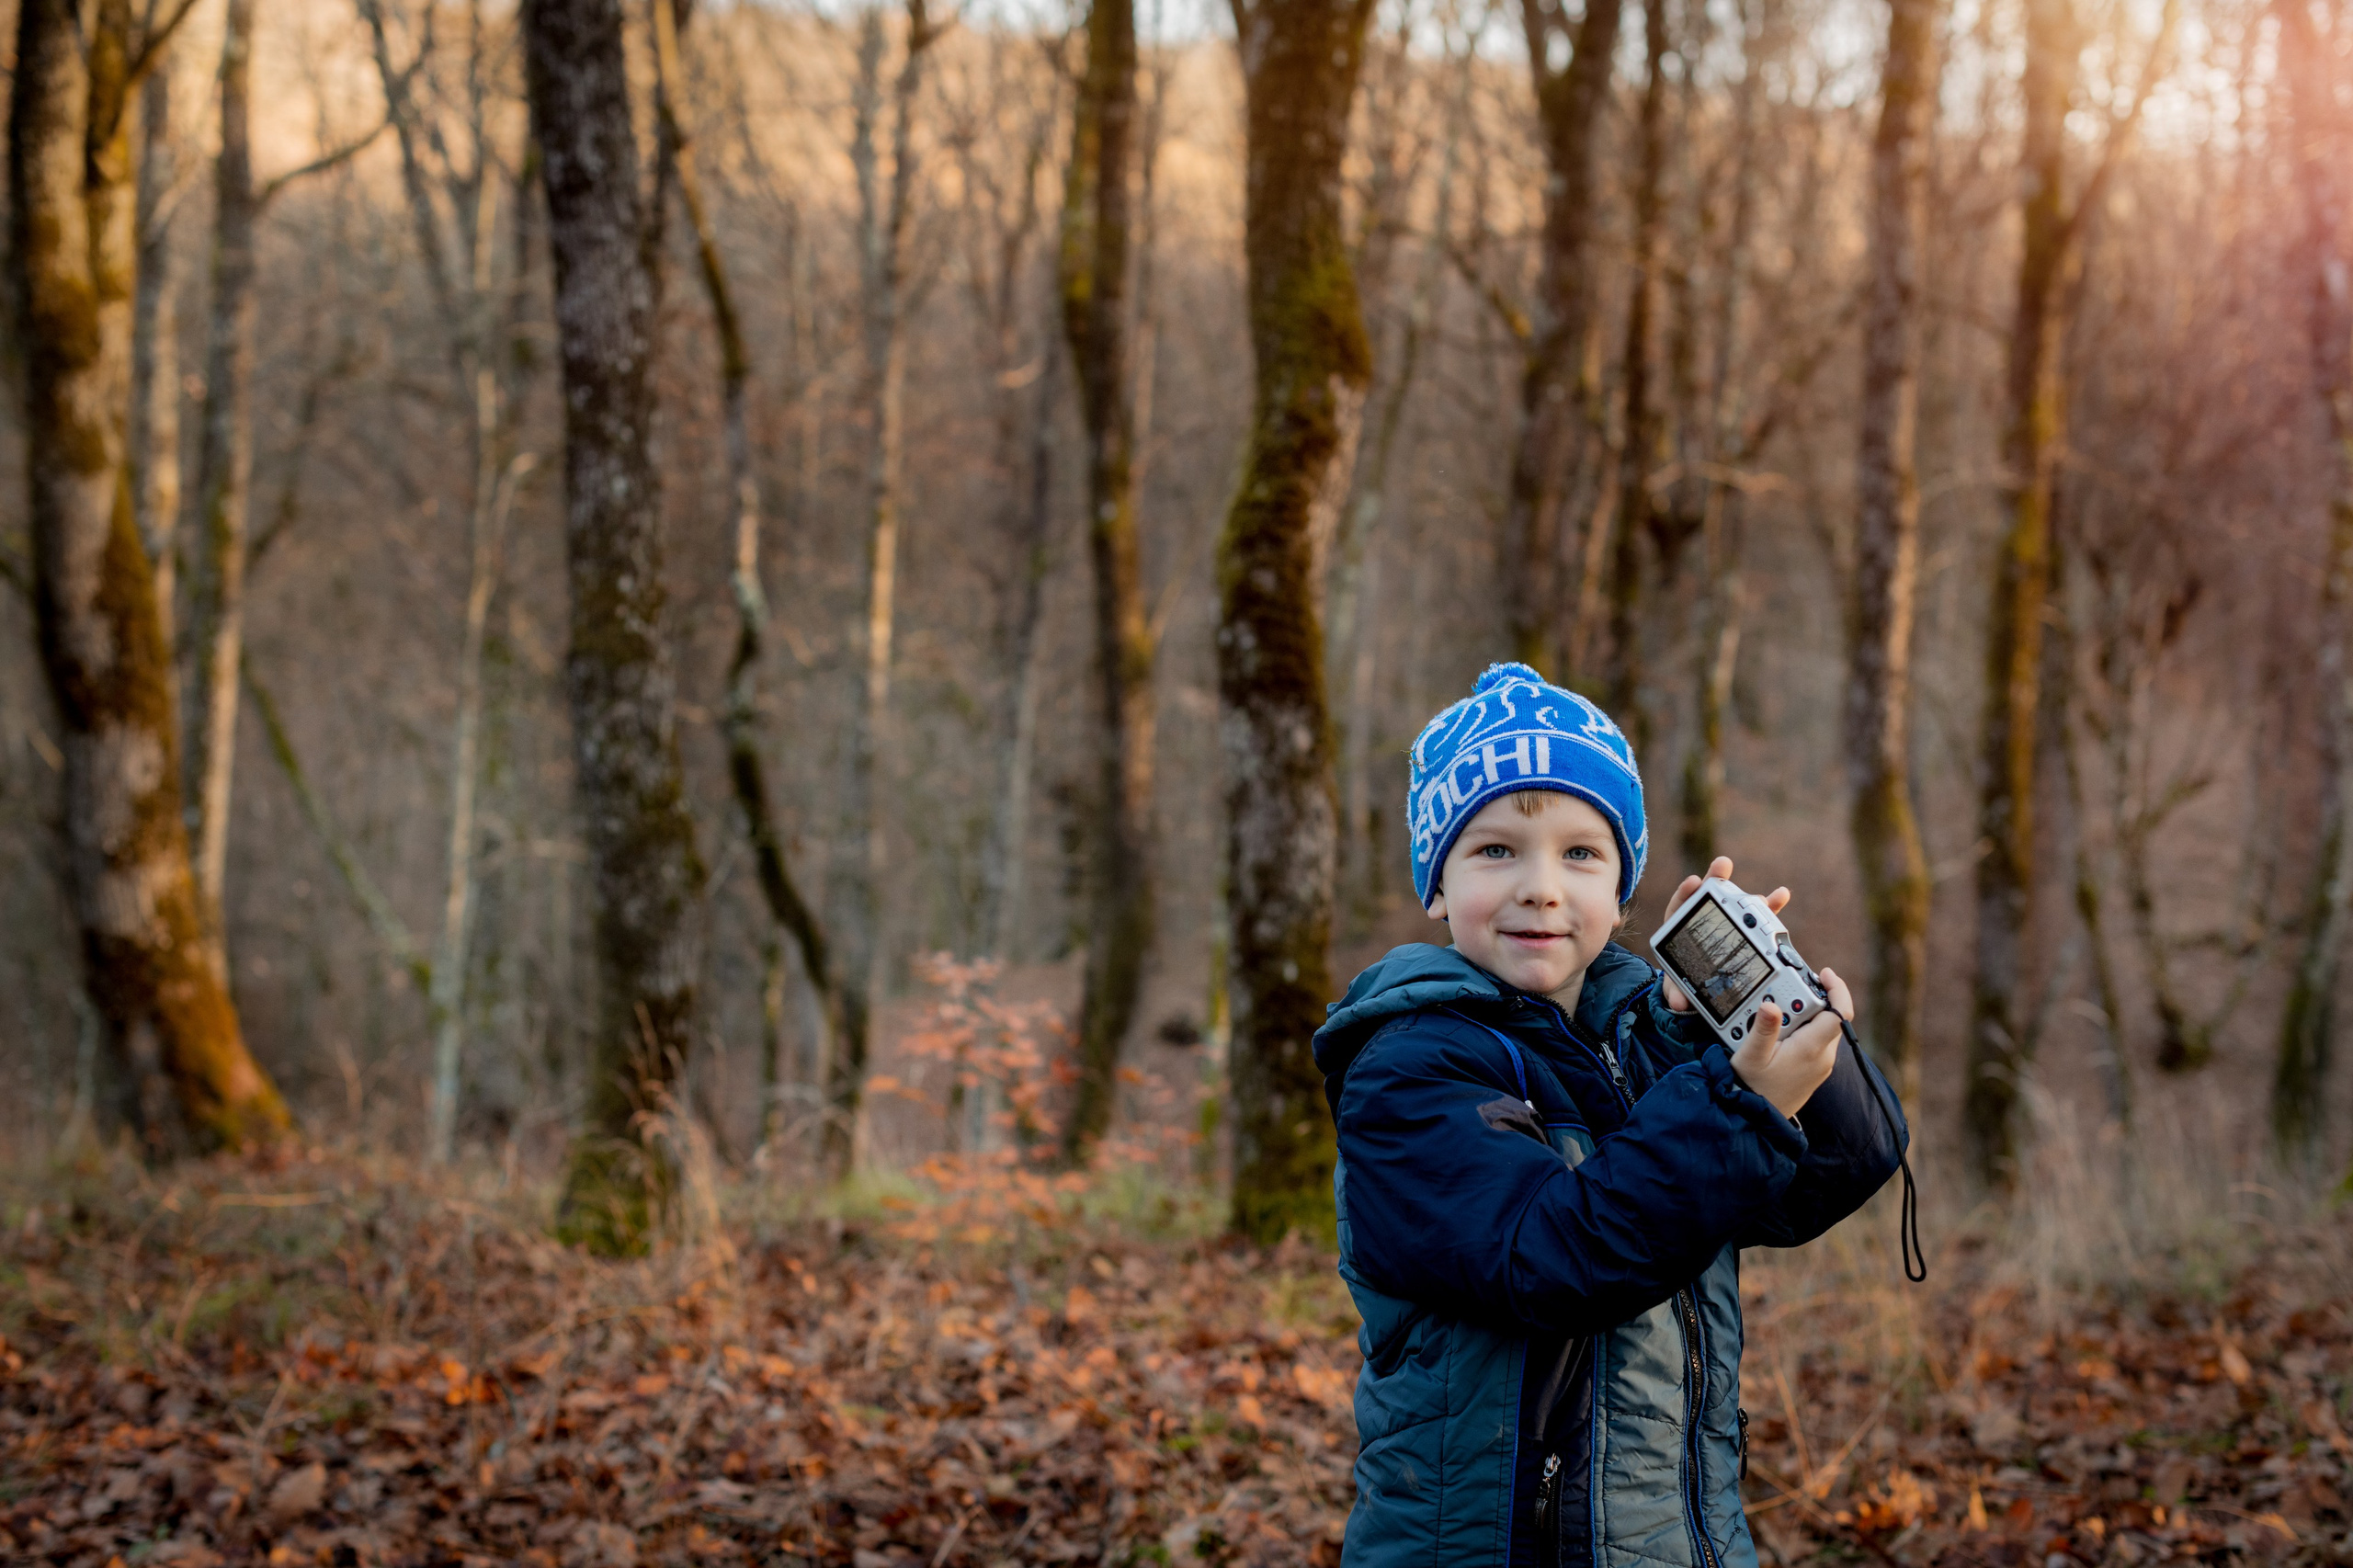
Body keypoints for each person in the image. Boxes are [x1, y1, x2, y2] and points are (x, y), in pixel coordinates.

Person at [1313, 662, 1907, 1568]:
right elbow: (1555, 1258)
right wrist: (1734, 1098)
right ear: (1436, 885)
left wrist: (1748, 1025)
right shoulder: (1409, 1065)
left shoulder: (1639, 1049)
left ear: (1622, 893)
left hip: (1673, 1538)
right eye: (1495, 850)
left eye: (1580, 853)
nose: (1541, 887)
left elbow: (1835, 1169)